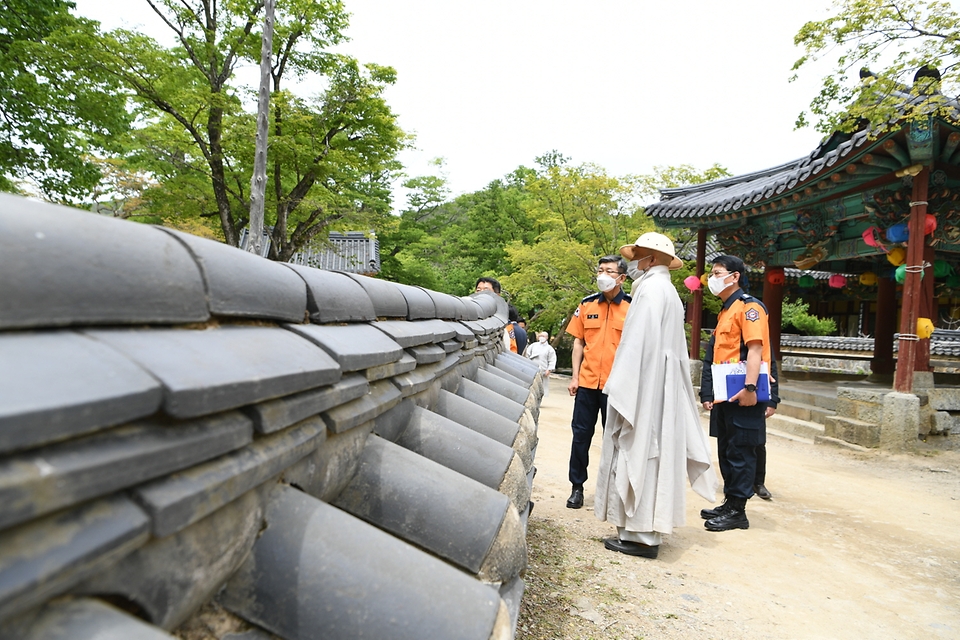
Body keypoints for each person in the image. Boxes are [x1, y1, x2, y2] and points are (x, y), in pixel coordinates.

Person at [594, 232, 718, 559]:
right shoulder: (670, 292)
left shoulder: (649, 289)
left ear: (649, 259)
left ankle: (639, 533)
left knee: (640, 447)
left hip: (646, 382)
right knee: (656, 450)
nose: (633, 263)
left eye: (637, 257)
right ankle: (646, 529)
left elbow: (637, 344)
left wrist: (621, 386)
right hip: (663, 382)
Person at [698, 255, 779, 531]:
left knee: (742, 451)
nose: (712, 277)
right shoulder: (725, 311)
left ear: (734, 277)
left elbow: (757, 349)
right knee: (727, 449)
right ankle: (730, 502)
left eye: (717, 272)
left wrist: (751, 388)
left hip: (744, 392)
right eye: (711, 272)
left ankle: (738, 511)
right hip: (725, 393)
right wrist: (708, 392)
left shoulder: (750, 307)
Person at [564, 255, 632, 509]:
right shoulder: (587, 305)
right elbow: (578, 342)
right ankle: (577, 487)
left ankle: (613, 490)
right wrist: (574, 376)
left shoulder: (632, 307)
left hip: (616, 387)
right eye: (601, 270)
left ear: (622, 277)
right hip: (588, 383)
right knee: (580, 436)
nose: (603, 274)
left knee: (615, 439)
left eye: (610, 271)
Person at [525, 331, 557, 396]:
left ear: (547, 337)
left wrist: (549, 369)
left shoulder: (549, 349)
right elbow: (527, 354)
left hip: (544, 369)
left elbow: (552, 360)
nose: (541, 337)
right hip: (532, 368)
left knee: (542, 386)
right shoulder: (533, 345)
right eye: (540, 336)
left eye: (543, 336)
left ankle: (541, 397)